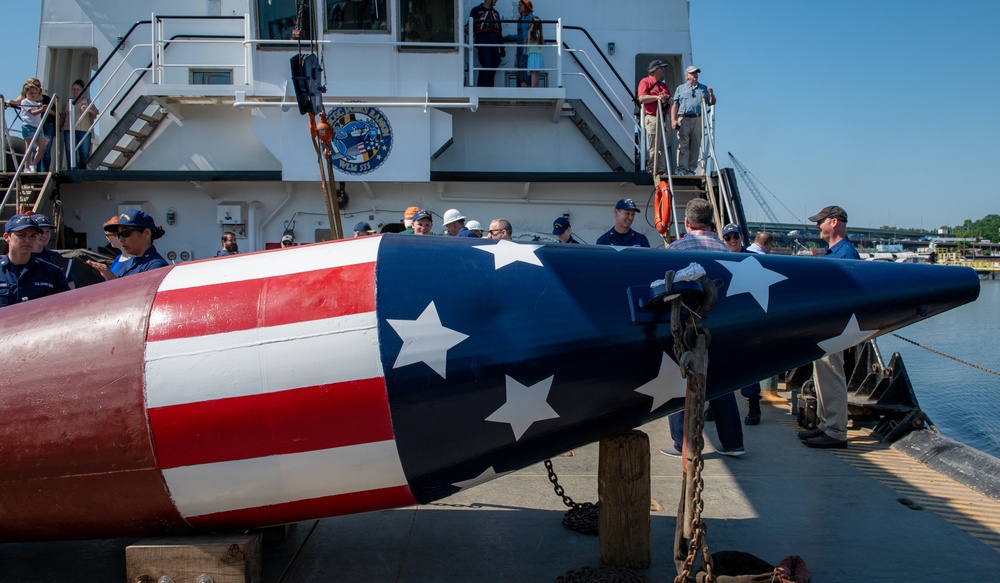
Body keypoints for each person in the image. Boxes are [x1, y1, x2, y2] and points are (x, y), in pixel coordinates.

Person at [661, 198, 745, 457]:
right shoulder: (725, 250)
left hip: (686, 325)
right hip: (719, 325)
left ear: (687, 222)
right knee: (721, 382)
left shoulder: (676, 248)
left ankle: (682, 443)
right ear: (712, 224)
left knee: (680, 379)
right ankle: (733, 443)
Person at [798, 205, 860, 449]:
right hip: (829, 324)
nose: (817, 226)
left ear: (833, 222)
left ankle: (836, 431)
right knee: (823, 373)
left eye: (820, 221)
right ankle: (826, 424)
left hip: (836, 325)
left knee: (832, 374)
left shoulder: (845, 255)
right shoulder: (835, 252)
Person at [1, 214, 70, 307]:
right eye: (22, 235)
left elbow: (68, 305)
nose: (28, 240)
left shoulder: (52, 272)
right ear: (6, 237)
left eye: (33, 236)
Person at [671, 66, 715, 176]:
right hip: (684, 118)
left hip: (698, 118)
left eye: (696, 73)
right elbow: (675, 105)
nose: (695, 75)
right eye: (692, 73)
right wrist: (673, 119)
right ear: (687, 76)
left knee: (695, 144)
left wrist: (711, 94)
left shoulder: (703, 88)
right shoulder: (680, 89)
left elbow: (712, 102)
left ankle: (691, 170)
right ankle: (681, 169)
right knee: (683, 144)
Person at [105, 211, 168, 278]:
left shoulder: (156, 266)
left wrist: (112, 279)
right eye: (118, 234)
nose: (120, 239)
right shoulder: (126, 263)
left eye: (125, 233)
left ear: (146, 233)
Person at [637, 60, 673, 176]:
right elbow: (642, 97)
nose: (663, 70)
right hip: (652, 116)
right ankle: (652, 167)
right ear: (655, 70)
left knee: (663, 144)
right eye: (661, 68)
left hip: (663, 117)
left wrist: (666, 97)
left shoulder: (663, 85)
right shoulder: (645, 81)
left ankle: (661, 168)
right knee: (654, 144)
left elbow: (672, 101)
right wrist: (657, 98)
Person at [30, 214, 76, 289]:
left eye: (47, 231)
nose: (45, 235)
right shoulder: (23, 257)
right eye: (41, 232)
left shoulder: (56, 257)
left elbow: (70, 285)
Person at [63, 79, 99, 170]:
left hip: (84, 130)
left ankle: (83, 170)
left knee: (84, 152)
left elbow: (96, 113)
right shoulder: (68, 102)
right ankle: (73, 170)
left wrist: (88, 109)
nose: (75, 91)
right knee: (70, 151)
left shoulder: (87, 101)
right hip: (69, 129)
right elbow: (63, 114)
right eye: (74, 89)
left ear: (82, 90)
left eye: (77, 89)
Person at [13, 83, 48, 173]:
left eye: (35, 93)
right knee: (29, 148)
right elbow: (32, 112)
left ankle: (33, 164)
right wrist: (42, 109)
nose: (33, 95)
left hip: (38, 127)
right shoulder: (24, 101)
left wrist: (44, 109)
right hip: (28, 126)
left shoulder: (36, 103)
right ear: (26, 92)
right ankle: (26, 167)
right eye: (31, 93)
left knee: (43, 147)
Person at [469, 0, 504, 87]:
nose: (497, 1)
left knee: (494, 63)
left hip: (494, 43)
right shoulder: (476, 10)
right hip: (483, 42)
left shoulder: (495, 13)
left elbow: (499, 32)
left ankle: (490, 87)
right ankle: (481, 86)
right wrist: (467, 29)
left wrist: (502, 48)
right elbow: (469, 27)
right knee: (487, 63)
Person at [87, 215, 132, 279]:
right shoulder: (118, 258)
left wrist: (108, 274)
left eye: (108, 235)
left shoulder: (134, 260)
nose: (106, 237)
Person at [507, 0, 535, 87]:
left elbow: (533, 30)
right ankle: (522, 86)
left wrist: (528, 38)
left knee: (524, 65)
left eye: (521, 5)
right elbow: (519, 34)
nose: (518, 7)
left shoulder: (531, 17)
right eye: (518, 5)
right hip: (520, 45)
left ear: (526, 7)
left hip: (526, 45)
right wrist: (508, 37)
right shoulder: (520, 19)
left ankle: (526, 86)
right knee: (520, 65)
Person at [525, 17, 544, 88]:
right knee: (535, 73)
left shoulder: (535, 33)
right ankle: (536, 86)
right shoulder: (539, 33)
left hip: (533, 54)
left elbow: (530, 41)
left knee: (533, 72)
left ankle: (534, 87)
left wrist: (529, 31)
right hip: (536, 54)